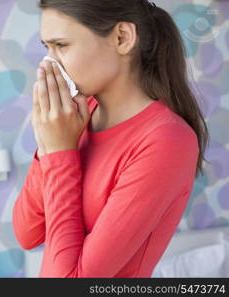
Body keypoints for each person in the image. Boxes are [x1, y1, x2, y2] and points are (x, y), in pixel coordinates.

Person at [12, 0, 210, 277]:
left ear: (122, 38)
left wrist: (60, 152)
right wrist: (48, 145)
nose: (48, 64)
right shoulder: (78, 117)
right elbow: (27, 233)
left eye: (62, 46)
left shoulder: (167, 141)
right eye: (47, 47)